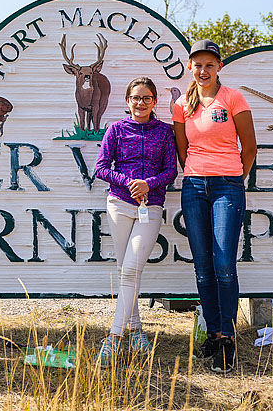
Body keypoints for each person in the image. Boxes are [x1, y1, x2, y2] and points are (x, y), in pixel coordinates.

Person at [172, 40, 257, 373]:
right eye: (198, 65)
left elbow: (249, 148)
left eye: (210, 65)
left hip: (227, 186)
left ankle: (227, 337)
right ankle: (212, 333)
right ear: (190, 67)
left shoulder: (233, 98)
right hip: (194, 187)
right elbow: (183, 151)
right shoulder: (182, 104)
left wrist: (232, 178)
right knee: (203, 267)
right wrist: (199, 174)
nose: (203, 71)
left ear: (219, 67)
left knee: (223, 264)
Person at [93, 77, 178, 367]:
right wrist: (130, 182)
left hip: (150, 207)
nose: (140, 103)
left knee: (131, 269)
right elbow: (101, 168)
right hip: (119, 204)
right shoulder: (116, 130)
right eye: (136, 98)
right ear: (128, 101)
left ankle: (114, 338)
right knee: (126, 271)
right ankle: (136, 330)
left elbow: (170, 171)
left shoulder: (165, 132)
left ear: (154, 102)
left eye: (146, 98)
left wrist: (147, 184)